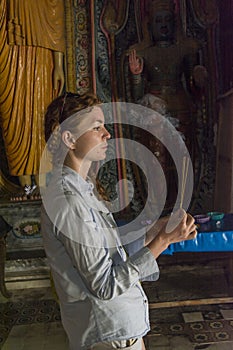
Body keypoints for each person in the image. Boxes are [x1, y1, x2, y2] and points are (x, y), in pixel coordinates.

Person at [40, 91, 197, 350]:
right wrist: (163, 241)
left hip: (117, 331)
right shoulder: (68, 199)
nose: (107, 134)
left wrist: (156, 231)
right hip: (107, 335)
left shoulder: (81, 188)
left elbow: (111, 255)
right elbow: (104, 285)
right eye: (96, 127)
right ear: (69, 138)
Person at [0, 0, 65, 193]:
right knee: (13, 117)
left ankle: (42, 183)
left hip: (40, 52)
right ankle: (25, 184)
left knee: (40, 116)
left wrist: (59, 62)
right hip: (7, 44)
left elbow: (55, 12)